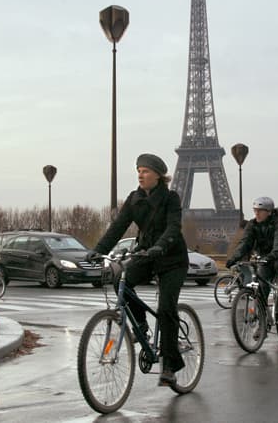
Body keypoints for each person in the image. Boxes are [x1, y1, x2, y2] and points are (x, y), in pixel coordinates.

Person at [87, 154, 188, 387]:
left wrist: (159, 246)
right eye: (138, 171)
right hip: (146, 254)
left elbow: (174, 227)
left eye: (145, 171)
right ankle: (141, 326)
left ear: (158, 176)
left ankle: (170, 365)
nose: (140, 175)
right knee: (120, 280)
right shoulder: (134, 199)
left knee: (166, 308)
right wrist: (98, 250)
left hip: (172, 258)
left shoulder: (170, 198)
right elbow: (118, 227)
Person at [226, 197, 278, 306]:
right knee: (262, 284)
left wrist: (275, 254)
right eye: (255, 210)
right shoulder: (252, 224)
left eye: (260, 211)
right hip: (265, 257)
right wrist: (234, 258)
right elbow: (245, 242)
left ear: (269, 212)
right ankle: (262, 315)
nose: (256, 214)